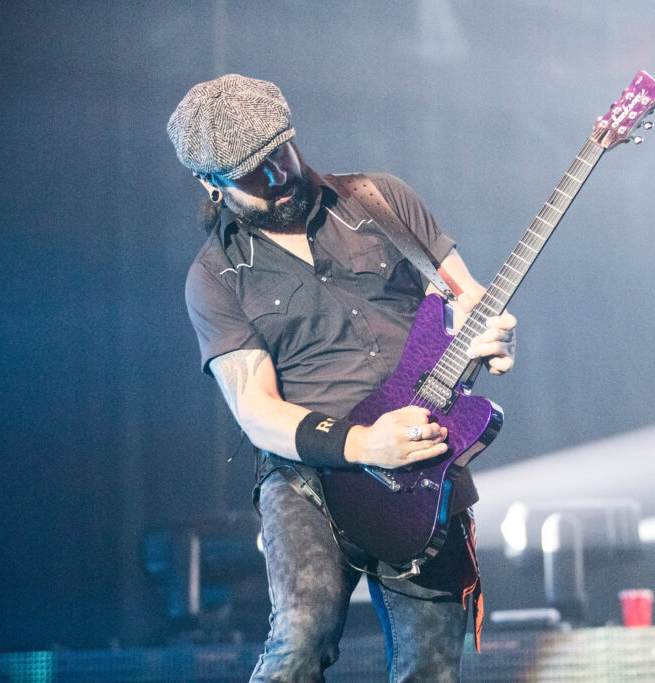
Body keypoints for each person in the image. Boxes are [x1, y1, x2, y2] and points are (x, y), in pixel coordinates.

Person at [167, 74, 516, 682]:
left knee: (431, 670)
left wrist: (493, 334)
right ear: (210, 184)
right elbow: (256, 410)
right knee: (300, 641)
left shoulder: (381, 199)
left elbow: (467, 300)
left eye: (280, 151)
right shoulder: (216, 275)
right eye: (253, 172)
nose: (277, 175)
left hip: (421, 464)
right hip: (309, 480)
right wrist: (362, 444)